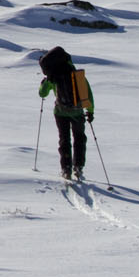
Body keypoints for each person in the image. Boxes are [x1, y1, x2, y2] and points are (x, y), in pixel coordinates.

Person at [38, 46, 94, 181]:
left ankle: (66, 168)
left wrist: (43, 84)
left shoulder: (53, 75)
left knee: (64, 140)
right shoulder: (76, 74)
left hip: (60, 112)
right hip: (77, 112)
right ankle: (78, 167)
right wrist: (90, 112)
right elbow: (88, 96)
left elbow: (42, 93)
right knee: (79, 139)